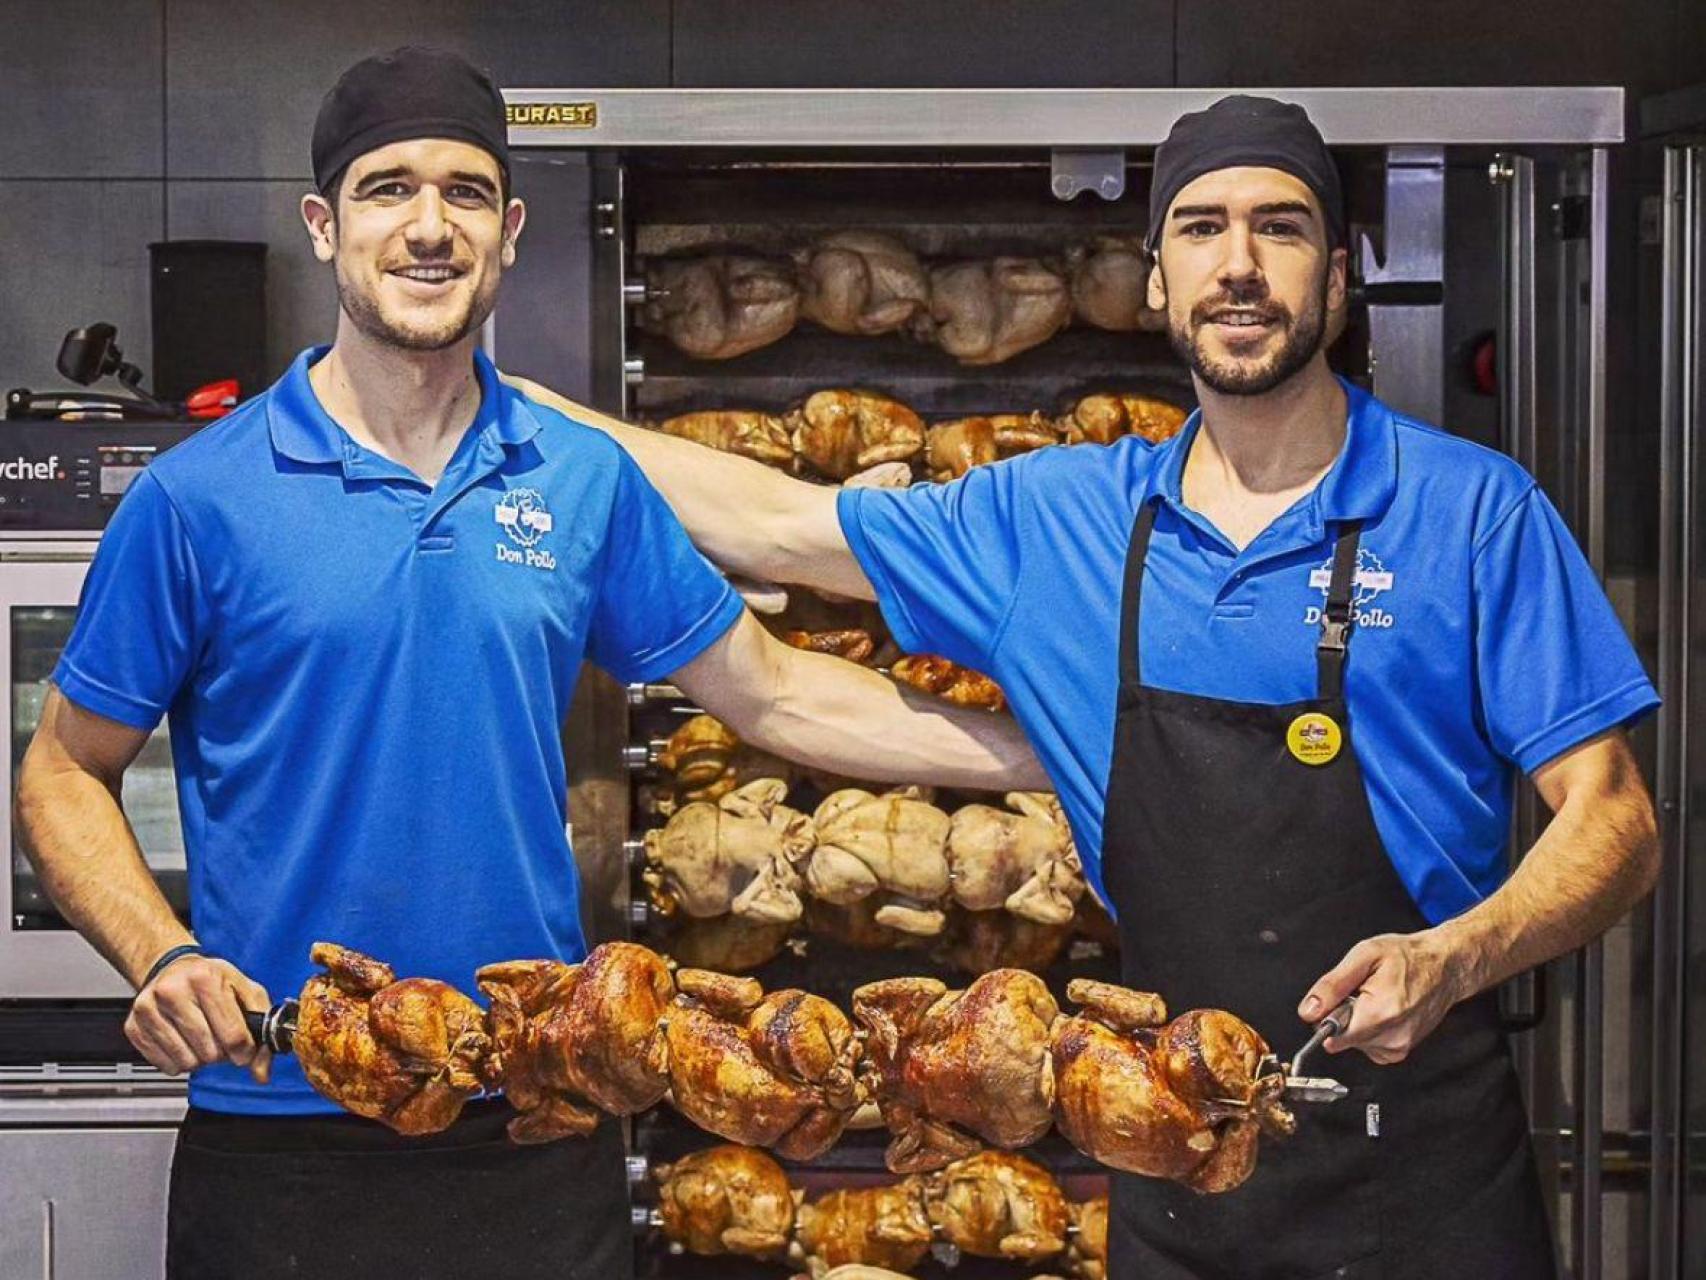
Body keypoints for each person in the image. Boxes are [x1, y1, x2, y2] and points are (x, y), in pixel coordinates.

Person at [512, 95, 1660, 1278]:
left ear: (1334, 278)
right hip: (1171, 1177)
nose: (1238, 263)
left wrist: (1456, 955)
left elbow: (1615, 819)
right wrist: (514, 407)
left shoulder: (1471, 511)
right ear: (1156, 279)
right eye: (1201, 228)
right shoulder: (1065, 519)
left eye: (1279, 227)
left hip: (1421, 1183)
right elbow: (774, 523)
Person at [14, 47, 1043, 1280]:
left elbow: (774, 691)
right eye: (387, 189)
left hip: (535, 1114)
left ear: (506, 234)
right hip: (284, 1120)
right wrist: (162, 953)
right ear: (324, 227)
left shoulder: (580, 478)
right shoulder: (197, 497)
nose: (427, 226)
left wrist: (1052, 753)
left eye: (463, 192)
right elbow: (61, 771)